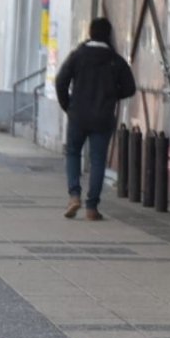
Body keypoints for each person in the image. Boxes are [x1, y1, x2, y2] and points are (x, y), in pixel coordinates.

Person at [54, 17, 136, 221]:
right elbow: (130, 88)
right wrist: (112, 95)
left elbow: (61, 81)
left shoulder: (78, 55)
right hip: (103, 117)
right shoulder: (115, 60)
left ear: (90, 32)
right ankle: (92, 207)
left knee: (73, 153)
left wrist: (68, 106)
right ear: (108, 35)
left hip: (78, 116)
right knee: (98, 160)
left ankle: (74, 195)